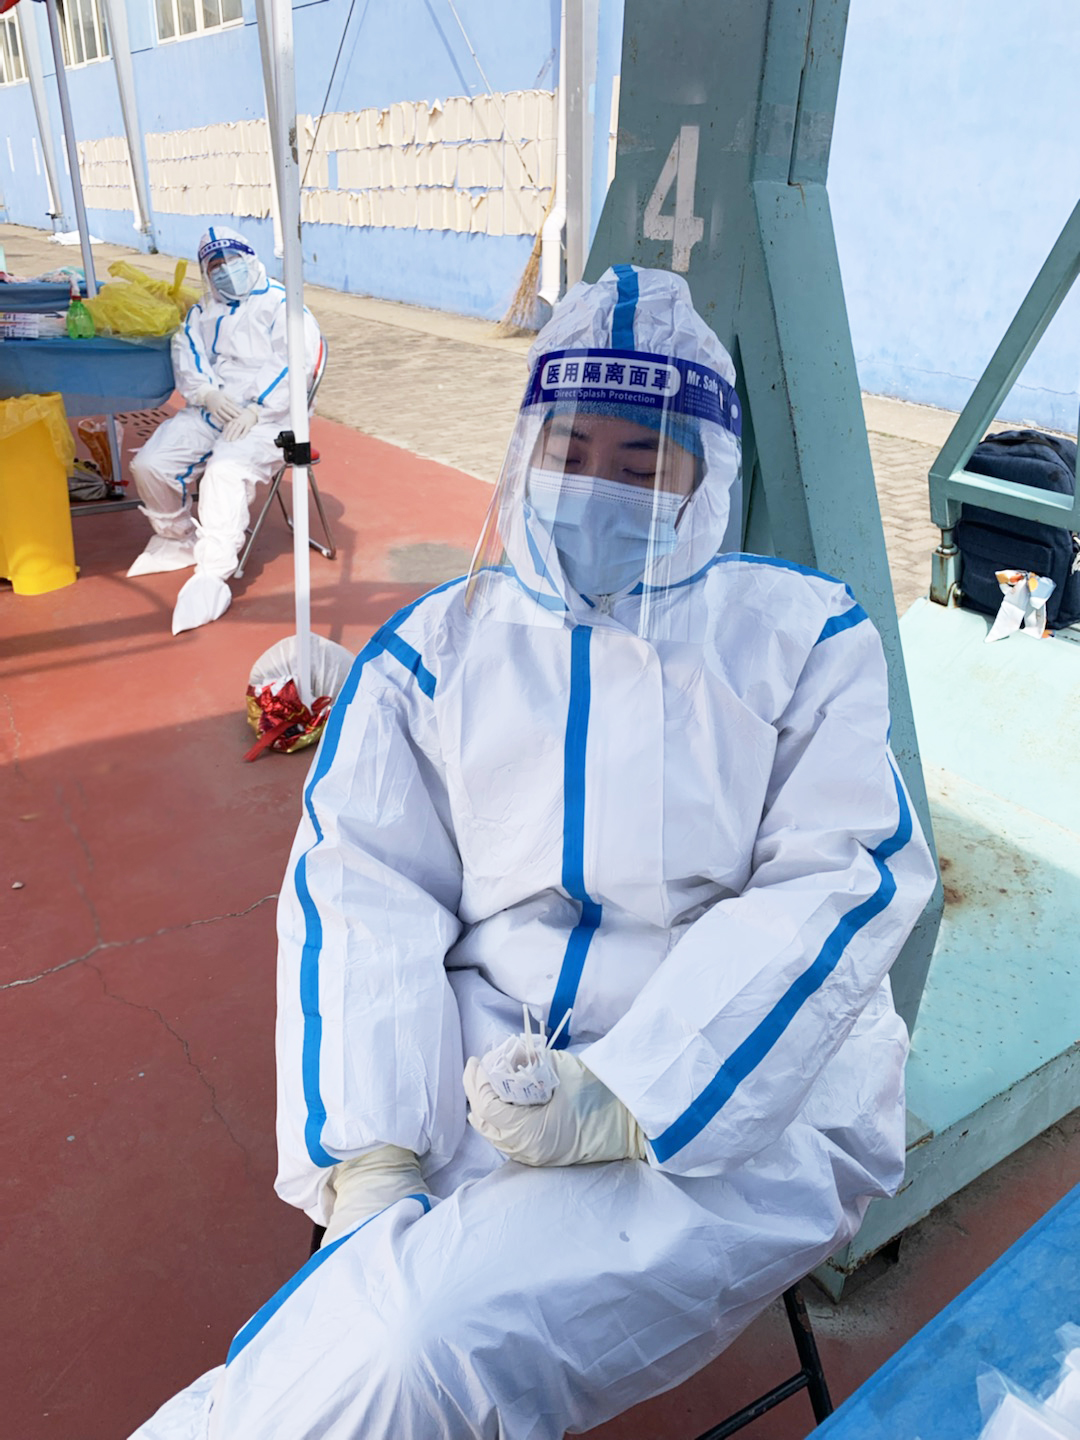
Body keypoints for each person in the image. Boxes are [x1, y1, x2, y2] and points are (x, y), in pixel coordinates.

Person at [131, 267, 936, 1439]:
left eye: (642, 462)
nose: (598, 487)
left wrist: (634, 1094)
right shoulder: (436, 651)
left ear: (706, 477)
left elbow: (838, 883)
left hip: (734, 1097)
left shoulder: (802, 641)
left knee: (416, 1339)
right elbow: (361, 890)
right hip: (475, 1066)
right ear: (526, 452)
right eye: (571, 449)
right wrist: (376, 1151)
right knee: (395, 1320)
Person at [126, 225, 322, 635]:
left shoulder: (283, 306)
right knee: (151, 463)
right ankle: (177, 536)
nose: (225, 270)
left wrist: (257, 408)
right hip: (215, 408)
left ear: (250, 258)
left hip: (270, 417)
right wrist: (208, 394)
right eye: (215, 265)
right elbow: (189, 356)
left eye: (232, 260)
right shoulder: (202, 312)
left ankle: (212, 572)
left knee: (224, 472)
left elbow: (296, 362)